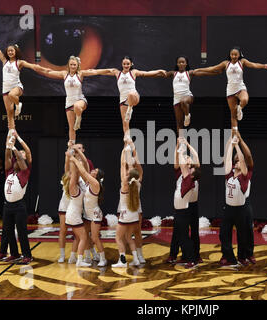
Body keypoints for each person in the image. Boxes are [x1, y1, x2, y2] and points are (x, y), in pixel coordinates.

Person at [193, 47, 267, 134]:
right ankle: (234, 135)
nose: (234, 56)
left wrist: (265, 66)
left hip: (240, 88)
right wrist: (199, 69)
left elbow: (254, 65)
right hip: (230, 90)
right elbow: (213, 68)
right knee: (233, 114)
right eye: (232, 54)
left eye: (236, 54)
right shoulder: (226, 63)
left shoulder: (242, 62)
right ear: (229, 55)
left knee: (245, 100)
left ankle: (240, 108)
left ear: (239, 55)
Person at [84, 56, 166, 139]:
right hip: (123, 100)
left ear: (131, 64)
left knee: (130, 94)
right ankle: (127, 140)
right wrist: (88, 72)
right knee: (125, 122)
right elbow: (101, 72)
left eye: (128, 64)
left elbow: (147, 73)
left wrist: (159, 71)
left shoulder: (133, 72)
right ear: (121, 64)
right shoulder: (117, 73)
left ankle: (130, 109)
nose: (126, 65)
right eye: (124, 64)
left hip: (134, 97)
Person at [32, 57, 104, 147]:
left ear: (77, 65)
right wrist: (37, 68)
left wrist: (109, 71)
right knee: (71, 127)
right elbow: (48, 72)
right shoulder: (64, 74)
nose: (73, 66)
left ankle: (79, 117)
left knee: (77, 106)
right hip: (69, 103)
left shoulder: (80, 74)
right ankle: (71, 145)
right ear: (68, 65)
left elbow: (95, 72)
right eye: (71, 64)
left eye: (74, 65)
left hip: (80, 100)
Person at [0, 31, 38, 135]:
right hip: (5, 89)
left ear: (16, 51)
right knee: (9, 113)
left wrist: (39, 68)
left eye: (12, 51)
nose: (10, 52)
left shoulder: (19, 62)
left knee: (12, 94)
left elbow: (32, 66)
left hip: (17, 87)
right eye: (8, 51)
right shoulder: (4, 61)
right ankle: (12, 132)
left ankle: (18, 104)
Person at [0, 130, 33, 265]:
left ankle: (27, 255)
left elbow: (20, 157)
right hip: (8, 205)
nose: (19, 158)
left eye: (21, 157)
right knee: (8, 231)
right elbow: (7, 156)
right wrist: (8, 145)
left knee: (22, 232)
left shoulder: (25, 171)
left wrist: (14, 145)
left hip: (19, 206)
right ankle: (14, 253)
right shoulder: (9, 171)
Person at [68, 148, 107, 267]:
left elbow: (84, 172)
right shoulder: (88, 182)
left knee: (95, 237)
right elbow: (85, 163)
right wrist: (77, 151)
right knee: (85, 237)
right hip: (87, 214)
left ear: (97, 175)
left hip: (94, 214)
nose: (93, 170)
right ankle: (90, 256)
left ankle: (103, 258)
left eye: (95, 170)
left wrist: (74, 159)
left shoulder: (95, 184)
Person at [57, 142, 94, 264]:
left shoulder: (82, 179)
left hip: (77, 209)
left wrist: (76, 153)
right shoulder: (71, 177)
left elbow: (86, 169)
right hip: (68, 207)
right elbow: (68, 164)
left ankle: (77, 256)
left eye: (80, 149)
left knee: (81, 235)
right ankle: (65, 256)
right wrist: (70, 152)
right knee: (67, 231)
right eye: (76, 148)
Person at [220, 133, 254, 267]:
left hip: (241, 209)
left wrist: (237, 146)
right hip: (228, 209)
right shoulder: (229, 174)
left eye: (240, 161)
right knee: (223, 234)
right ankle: (229, 257)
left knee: (243, 235)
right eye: (237, 161)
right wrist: (231, 144)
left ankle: (242, 257)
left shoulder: (245, 176)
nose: (238, 162)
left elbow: (244, 161)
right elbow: (226, 159)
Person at [167, 137, 201, 267]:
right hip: (182, 208)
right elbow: (178, 163)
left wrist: (186, 145)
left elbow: (195, 157)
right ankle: (180, 255)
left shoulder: (192, 174)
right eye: (186, 158)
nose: (188, 158)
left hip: (190, 206)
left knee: (191, 233)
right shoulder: (182, 174)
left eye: (189, 158)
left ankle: (193, 257)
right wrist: (177, 146)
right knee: (180, 233)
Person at [161, 56, 216, 136]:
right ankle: (181, 141)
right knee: (179, 122)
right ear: (177, 64)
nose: (181, 64)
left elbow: (204, 72)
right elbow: (162, 74)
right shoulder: (173, 73)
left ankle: (187, 115)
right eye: (179, 62)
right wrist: (155, 72)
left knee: (183, 101)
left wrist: (215, 71)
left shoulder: (189, 73)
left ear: (186, 64)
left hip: (188, 96)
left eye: (183, 62)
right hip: (176, 99)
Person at [112, 138, 144, 268]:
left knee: (119, 238)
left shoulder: (125, 185)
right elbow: (139, 168)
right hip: (134, 215)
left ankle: (123, 260)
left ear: (128, 176)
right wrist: (133, 148)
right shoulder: (137, 183)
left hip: (125, 215)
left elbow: (122, 164)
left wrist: (124, 150)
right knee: (129, 237)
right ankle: (136, 259)